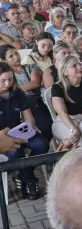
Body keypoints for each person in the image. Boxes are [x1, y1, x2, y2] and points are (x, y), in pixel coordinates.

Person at [0, 62, 48, 199]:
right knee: (16, 151)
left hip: (19, 130)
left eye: (10, 79)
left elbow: (28, 116)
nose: (7, 83)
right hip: (3, 137)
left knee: (42, 144)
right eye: (3, 80)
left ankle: (23, 174)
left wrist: (30, 128)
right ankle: (31, 183)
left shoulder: (17, 93)